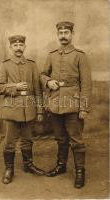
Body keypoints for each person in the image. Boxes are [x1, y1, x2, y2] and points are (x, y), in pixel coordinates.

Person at [40, 21, 92, 188]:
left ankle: (79, 172)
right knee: (61, 139)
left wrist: (84, 107)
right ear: (58, 35)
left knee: (76, 140)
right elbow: (42, 74)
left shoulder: (80, 56)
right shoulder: (52, 55)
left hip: (73, 105)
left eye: (66, 33)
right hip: (55, 104)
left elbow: (86, 84)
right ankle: (61, 166)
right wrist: (48, 82)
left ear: (72, 35)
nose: (63, 35)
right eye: (60, 33)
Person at [0, 35, 44, 184]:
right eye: (15, 45)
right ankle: (9, 169)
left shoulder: (32, 65)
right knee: (9, 141)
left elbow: (38, 90)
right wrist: (14, 87)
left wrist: (40, 111)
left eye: (20, 45)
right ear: (11, 48)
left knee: (27, 140)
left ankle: (28, 165)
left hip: (29, 109)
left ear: (24, 47)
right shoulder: (5, 65)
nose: (18, 48)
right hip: (11, 109)